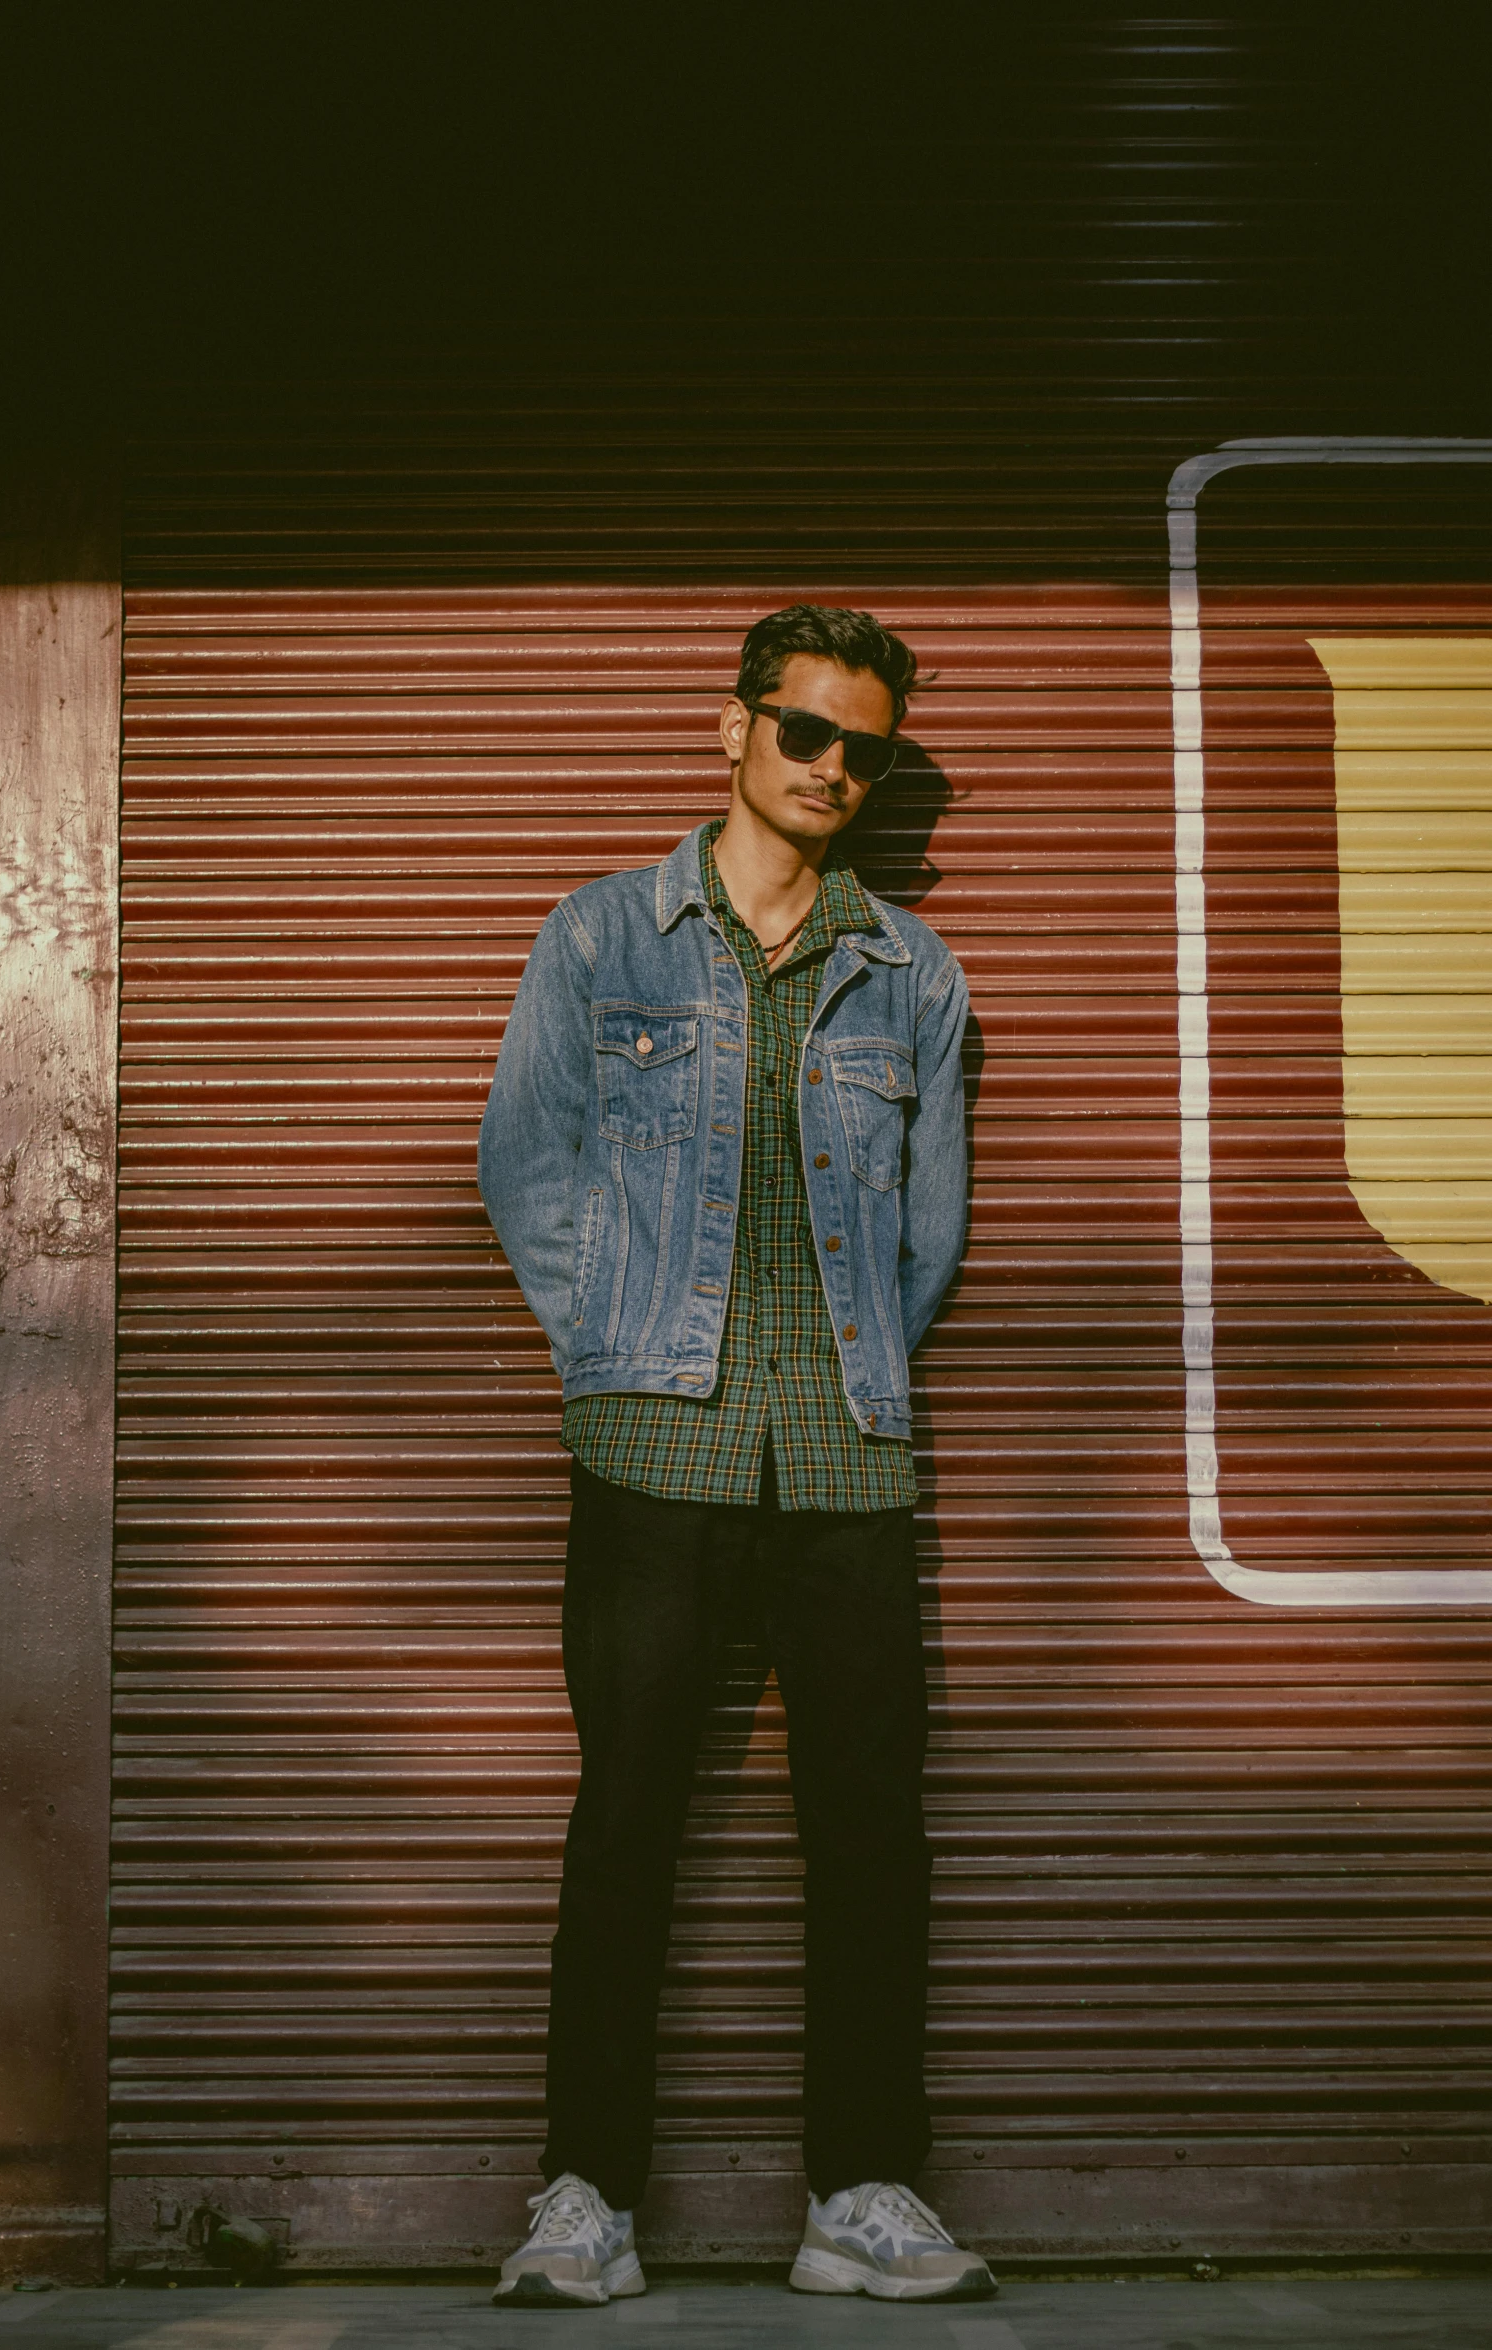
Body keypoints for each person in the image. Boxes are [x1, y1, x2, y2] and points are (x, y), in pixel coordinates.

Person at [477, 604, 992, 2308]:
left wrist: (848, 1369)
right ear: (734, 728)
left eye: (866, 748)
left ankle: (859, 2192)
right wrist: (617, 1343)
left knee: (869, 1831)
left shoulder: (912, 974)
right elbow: (526, 1168)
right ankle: (583, 2197)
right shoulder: (599, 936)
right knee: (624, 1820)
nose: (833, 768)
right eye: (805, 731)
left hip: (844, 1453)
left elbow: (927, 1238)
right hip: (649, 1450)